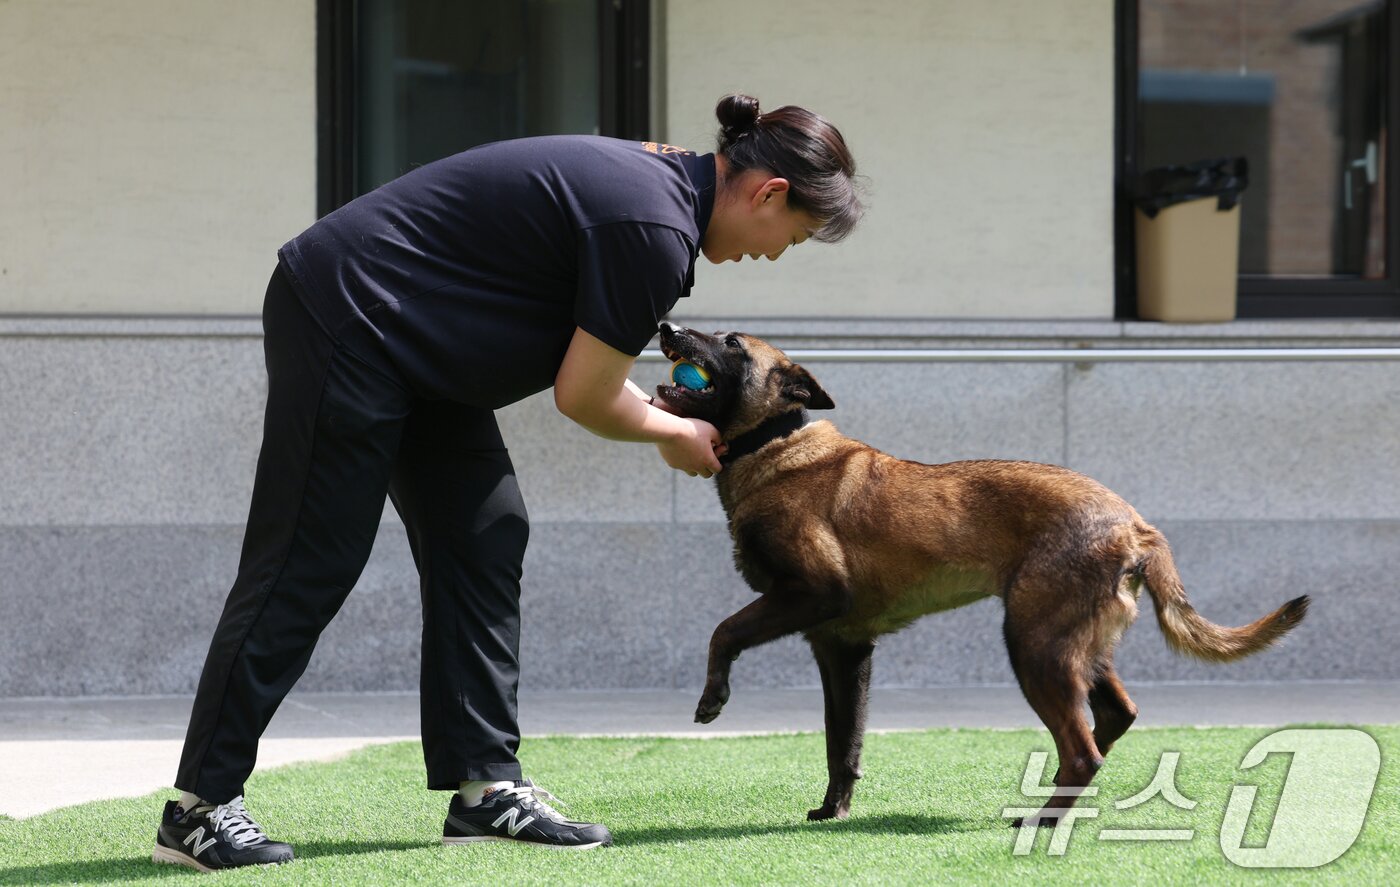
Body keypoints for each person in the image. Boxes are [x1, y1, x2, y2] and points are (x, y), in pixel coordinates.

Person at [152, 93, 862, 871]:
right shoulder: (654, 230)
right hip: (348, 315)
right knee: (308, 558)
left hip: (417, 345)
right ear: (767, 193)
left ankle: (486, 789)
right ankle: (199, 808)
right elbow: (583, 395)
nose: (774, 253)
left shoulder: (665, 194)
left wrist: (669, 426)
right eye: (789, 236)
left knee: (486, 532)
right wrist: (676, 432)